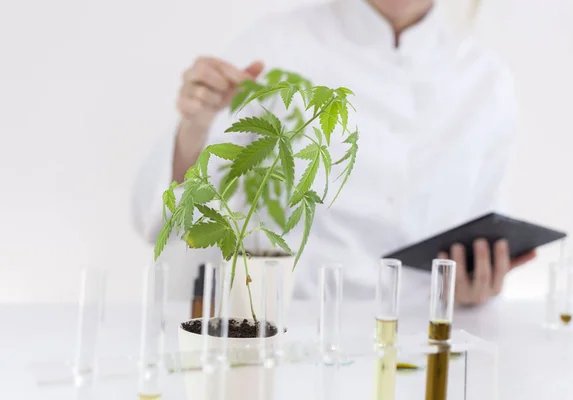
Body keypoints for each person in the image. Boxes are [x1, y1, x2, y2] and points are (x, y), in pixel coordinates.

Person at [132, 0, 536, 306]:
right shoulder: (276, 47)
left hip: (422, 338)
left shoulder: (487, 81)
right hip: (290, 328)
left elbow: (478, 234)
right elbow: (168, 221)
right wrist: (195, 126)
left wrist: (475, 285)